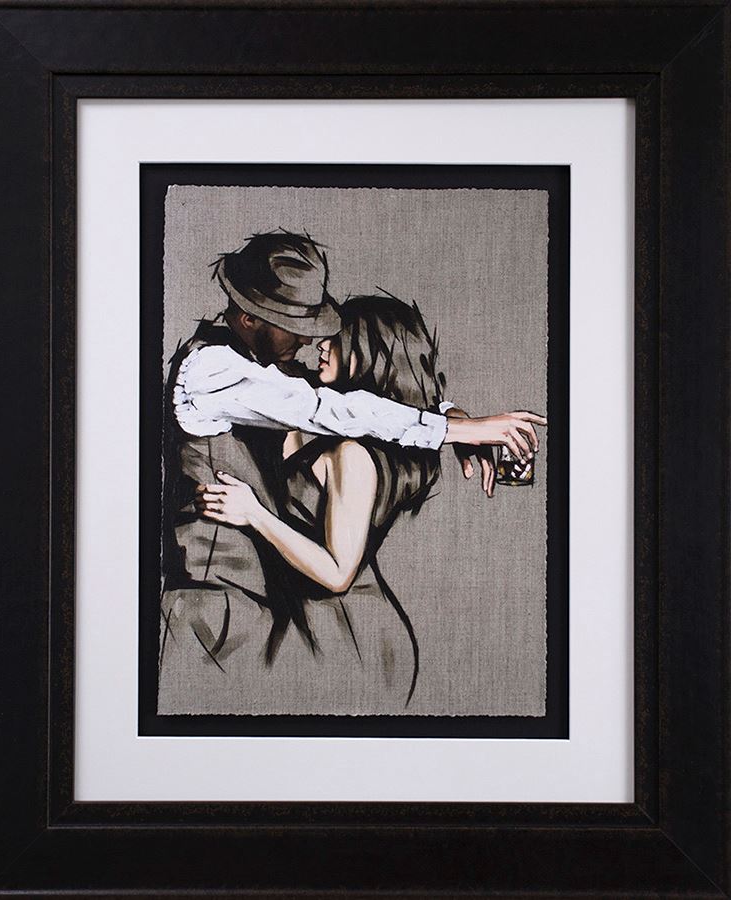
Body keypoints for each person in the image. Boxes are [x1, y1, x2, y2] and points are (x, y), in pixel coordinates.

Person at [159, 230, 545, 714]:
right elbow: (325, 407)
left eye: (325, 333)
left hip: (302, 626)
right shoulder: (214, 371)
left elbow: (354, 405)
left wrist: (454, 420)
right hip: (225, 606)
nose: (310, 341)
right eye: (294, 325)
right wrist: (455, 427)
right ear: (248, 317)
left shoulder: (337, 440)